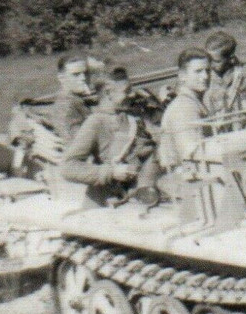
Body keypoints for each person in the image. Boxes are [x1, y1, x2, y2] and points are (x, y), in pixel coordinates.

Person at [61, 66, 158, 206]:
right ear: (108, 93)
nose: (132, 95)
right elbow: (67, 167)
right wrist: (111, 172)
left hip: (138, 197)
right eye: (126, 91)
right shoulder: (96, 122)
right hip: (108, 202)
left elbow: (149, 153)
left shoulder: (132, 116)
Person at [158, 48, 211, 171]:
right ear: (182, 76)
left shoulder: (193, 102)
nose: (205, 76)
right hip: (189, 179)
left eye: (207, 70)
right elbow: (191, 154)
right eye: (198, 71)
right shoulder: (184, 108)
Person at [202, 30, 245, 125]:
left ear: (230, 59)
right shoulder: (204, 76)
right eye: (208, 59)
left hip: (236, 122)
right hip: (213, 124)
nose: (210, 64)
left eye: (216, 61)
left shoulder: (240, 75)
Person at [50, 54, 92, 142]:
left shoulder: (76, 99)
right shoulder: (66, 106)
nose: (83, 78)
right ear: (62, 78)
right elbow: (79, 144)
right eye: (76, 75)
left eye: (86, 73)